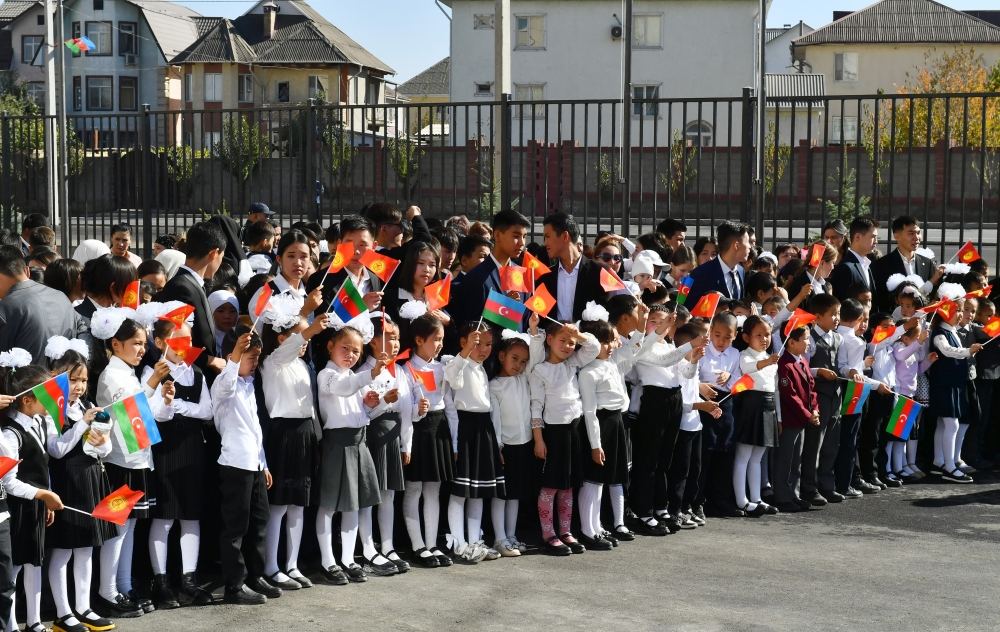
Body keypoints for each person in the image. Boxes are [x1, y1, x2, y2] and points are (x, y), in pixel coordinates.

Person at [92, 311, 175, 619]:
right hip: (119, 461)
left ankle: (123, 585)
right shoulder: (112, 374)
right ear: (116, 344)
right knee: (117, 528)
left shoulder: (127, 372)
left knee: (129, 528)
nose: (142, 349)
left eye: (143, 343)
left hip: (136, 458)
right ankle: (106, 591)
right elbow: (129, 414)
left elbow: (144, 416)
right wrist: (152, 382)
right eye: (135, 343)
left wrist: (160, 395)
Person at [42, 340, 117, 632]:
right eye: (73, 380)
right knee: (63, 549)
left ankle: (84, 606)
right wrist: (82, 426)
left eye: (83, 380)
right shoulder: (52, 410)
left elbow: (101, 450)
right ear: (57, 377)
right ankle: (63, 612)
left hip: (89, 479)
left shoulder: (86, 407)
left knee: (86, 547)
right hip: (65, 482)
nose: (79, 386)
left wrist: (102, 442)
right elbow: (57, 450)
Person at [140, 318, 215, 609]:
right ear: (160, 343)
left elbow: (207, 411)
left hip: (193, 449)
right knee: (165, 516)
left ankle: (189, 580)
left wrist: (177, 405)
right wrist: (172, 405)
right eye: (177, 340)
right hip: (166, 449)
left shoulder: (195, 372)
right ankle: (161, 582)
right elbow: (157, 414)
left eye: (189, 340)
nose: (185, 346)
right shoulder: (153, 372)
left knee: (191, 514)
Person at [258, 299, 328, 591]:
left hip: (303, 434)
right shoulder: (273, 361)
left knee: (299, 505)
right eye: (299, 335)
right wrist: (309, 327)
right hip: (281, 435)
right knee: (279, 506)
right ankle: (271, 566)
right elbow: (289, 349)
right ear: (282, 338)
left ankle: (292, 564)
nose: (305, 341)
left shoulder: (301, 365)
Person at [316, 321, 390, 583]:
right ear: (330, 347)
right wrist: (370, 375)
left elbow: (362, 415)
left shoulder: (352, 378)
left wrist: (373, 404)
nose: (350, 354)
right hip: (337, 443)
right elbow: (342, 389)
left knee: (355, 505)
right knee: (328, 506)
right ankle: (328, 560)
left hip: (359, 442)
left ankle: (348, 558)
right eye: (345, 348)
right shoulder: (327, 376)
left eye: (356, 351)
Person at [578, 303, 656, 547]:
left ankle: (597, 526)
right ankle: (587, 530)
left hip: (615, 423)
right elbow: (589, 411)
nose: (614, 346)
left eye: (613, 341)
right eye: (608, 342)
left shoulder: (612, 363)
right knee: (592, 480)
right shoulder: (588, 372)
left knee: (602, 480)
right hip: (600, 424)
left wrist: (642, 325)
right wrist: (595, 444)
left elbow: (634, 349)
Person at [0, 360, 66, 632]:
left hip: (36, 504)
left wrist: (45, 498)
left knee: (33, 561)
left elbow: (42, 466)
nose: (52, 401)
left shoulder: (38, 422)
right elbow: (9, 482)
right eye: (46, 395)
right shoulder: (8, 433)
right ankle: (11, 624)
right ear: (27, 400)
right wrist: (42, 494)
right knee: (11, 568)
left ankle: (35, 621)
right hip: (17, 507)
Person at [212, 329, 273, 605]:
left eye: (258, 357)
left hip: (254, 463)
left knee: (259, 522)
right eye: (251, 357)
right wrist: (236, 355)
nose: (255, 362)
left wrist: (264, 463)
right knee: (235, 527)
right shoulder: (225, 384)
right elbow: (227, 382)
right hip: (235, 463)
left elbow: (255, 428)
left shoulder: (250, 384)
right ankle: (234, 586)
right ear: (234, 356)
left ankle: (255, 575)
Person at [529, 322, 600, 555]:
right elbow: (536, 407)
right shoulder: (539, 370)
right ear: (549, 339)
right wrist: (539, 439)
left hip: (574, 430)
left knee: (568, 485)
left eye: (571, 343)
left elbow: (593, 348)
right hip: (553, 433)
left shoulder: (572, 363)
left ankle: (566, 530)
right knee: (550, 486)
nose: (568, 346)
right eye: (563, 340)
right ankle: (548, 533)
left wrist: (578, 334)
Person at [357, 315, 412, 573]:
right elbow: (362, 413)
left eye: (397, 337)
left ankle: (388, 546)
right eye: (389, 337)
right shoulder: (363, 372)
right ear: (372, 341)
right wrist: (383, 402)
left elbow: (407, 412)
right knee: (370, 495)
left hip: (393, 436)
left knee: (388, 494)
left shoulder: (399, 370)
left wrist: (406, 444)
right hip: (372, 436)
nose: (395, 342)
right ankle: (368, 548)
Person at [444, 323, 503, 563]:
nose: (483, 349)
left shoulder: (481, 369)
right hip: (465, 428)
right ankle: (459, 544)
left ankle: (474, 540)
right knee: (461, 491)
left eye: (487, 344)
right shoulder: (455, 363)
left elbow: (489, 408)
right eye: (476, 343)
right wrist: (466, 352)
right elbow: (453, 379)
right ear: (463, 342)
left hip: (483, 428)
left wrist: (497, 443)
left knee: (478, 491)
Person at [488, 315, 543, 557]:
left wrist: (532, 330)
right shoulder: (494, 386)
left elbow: (537, 357)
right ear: (501, 356)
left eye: (523, 361)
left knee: (516, 495)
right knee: (502, 494)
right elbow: (495, 420)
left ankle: (511, 535)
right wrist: (497, 446)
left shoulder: (524, 379)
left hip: (524, 445)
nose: (519, 365)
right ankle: (499, 537)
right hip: (506, 447)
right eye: (514, 359)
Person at [400, 314, 449, 568]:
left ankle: (432, 544)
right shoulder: (406, 368)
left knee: (434, 488)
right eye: (435, 339)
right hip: (418, 431)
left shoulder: (443, 366)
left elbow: (449, 403)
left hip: (438, 429)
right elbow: (405, 410)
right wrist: (417, 409)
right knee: (415, 488)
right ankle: (417, 545)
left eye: (442, 339)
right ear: (419, 340)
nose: (440, 344)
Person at [834, 299, 890, 497]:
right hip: (854, 392)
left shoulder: (836, 335)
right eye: (863, 319)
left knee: (841, 440)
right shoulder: (855, 341)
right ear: (857, 320)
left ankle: (842, 482)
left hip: (838, 390)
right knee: (849, 440)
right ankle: (844, 484)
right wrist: (877, 385)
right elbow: (855, 372)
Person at [156, 222, 228, 376]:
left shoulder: (192, 284)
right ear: (214, 254)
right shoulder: (182, 288)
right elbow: (173, 342)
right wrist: (210, 360)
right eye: (222, 256)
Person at [669, 322, 720, 529]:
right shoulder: (676, 365)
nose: (705, 345)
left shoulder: (693, 363)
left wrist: (706, 399)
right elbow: (679, 402)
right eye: (701, 341)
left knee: (694, 470)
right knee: (679, 471)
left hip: (695, 425)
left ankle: (687, 506)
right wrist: (702, 405)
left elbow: (692, 384)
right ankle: (675, 509)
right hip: (681, 426)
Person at [928, 287, 982, 483]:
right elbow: (948, 351)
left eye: (961, 310)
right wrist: (968, 351)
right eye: (958, 310)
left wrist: (968, 351)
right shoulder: (940, 332)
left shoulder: (952, 331)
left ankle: (939, 460)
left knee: (944, 423)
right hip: (944, 384)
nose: (961, 314)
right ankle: (949, 466)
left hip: (953, 384)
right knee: (951, 423)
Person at [0, 245, 83, 365]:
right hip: (61, 381)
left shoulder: (6, 308)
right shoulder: (61, 297)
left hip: (25, 381)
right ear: (27, 270)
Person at [731, 316, 780, 517]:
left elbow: (775, 390)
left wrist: (779, 418)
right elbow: (748, 368)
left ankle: (756, 497)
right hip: (750, 405)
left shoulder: (772, 360)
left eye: (767, 334)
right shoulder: (745, 355)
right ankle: (742, 500)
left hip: (768, 407)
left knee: (758, 457)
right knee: (743, 455)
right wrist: (767, 361)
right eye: (758, 335)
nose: (764, 339)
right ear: (746, 337)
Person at [450, 209, 531, 327]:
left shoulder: (521, 275)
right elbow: (471, 326)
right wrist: (504, 309)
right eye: (516, 236)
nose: (522, 243)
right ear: (497, 235)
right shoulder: (476, 277)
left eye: (524, 237)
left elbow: (525, 323)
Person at [696, 312, 741, 517]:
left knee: (725, 450)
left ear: (735, 336)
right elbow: (692, 375)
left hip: (727, 403)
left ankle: (720, 500)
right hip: (706, 402)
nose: (721, 341)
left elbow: (739, 381)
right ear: (711, 331)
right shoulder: (703, 351)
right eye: (717, 335)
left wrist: (729, 376)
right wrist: (703, 387)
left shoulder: (735, 354)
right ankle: (698, 500)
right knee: (706, 451)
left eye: (727, 337)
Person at [801, 293, 843, 506]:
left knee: (831, 443)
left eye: (838, 314)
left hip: (836, 394)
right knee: (814, 443)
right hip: (818, 395)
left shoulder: (837, 337)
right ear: (817, 317)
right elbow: (804, 367)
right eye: (832, 314)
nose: (837, 318)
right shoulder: (809, 339)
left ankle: (828, 484)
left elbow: (841, 364)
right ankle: (810, 486)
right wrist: (820, 372)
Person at [773, 325, 820, 513]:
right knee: (785, 459)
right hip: (791, 419)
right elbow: (790, 395)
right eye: (806, 339)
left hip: (803, 419)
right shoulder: (785, 364)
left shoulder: (802, 361)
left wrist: (815, 409)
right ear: (791, 342)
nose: (809, 343)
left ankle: (794, 493)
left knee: (796, 460)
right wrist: (808, 415)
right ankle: (782, 496)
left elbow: (811, 387)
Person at [537, 213, 609, 322]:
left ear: (565, 236)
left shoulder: (599, 272)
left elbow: (608, 314)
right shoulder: (545, 277)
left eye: (548, 236)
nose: (545, 242)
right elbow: (542, 319)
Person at [870, 216, 942, 313]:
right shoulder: (881, 265)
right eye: (911, 233)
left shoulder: (927, 263)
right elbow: (879, 301)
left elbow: (932, 296)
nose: (916, 237)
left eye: (918, 233)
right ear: (896, 235)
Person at [685, 221, 750, 307]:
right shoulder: (697, 274)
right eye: (747, 242)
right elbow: (682, 307)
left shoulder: (741, 271)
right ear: (736, 246)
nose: (750, 247)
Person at [829, 217, 878, 302]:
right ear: (858, 237)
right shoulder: (846, 267)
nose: (876, 241)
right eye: (873, 237)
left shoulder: (866, 264)